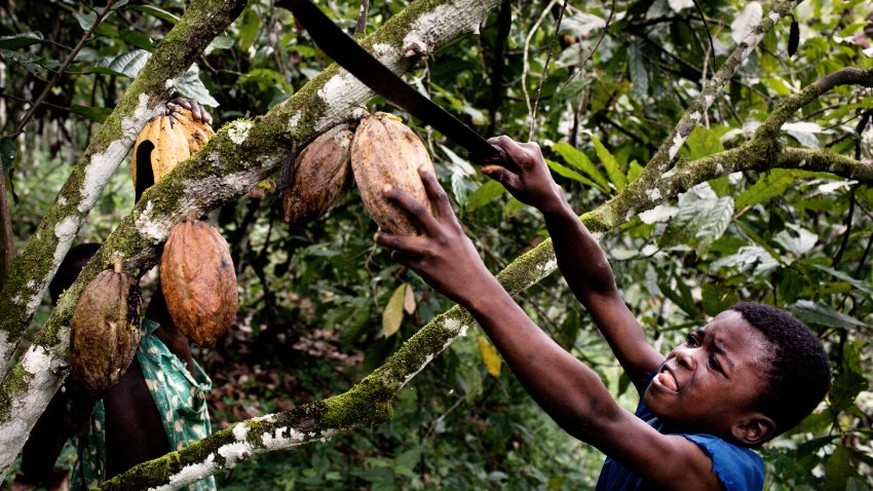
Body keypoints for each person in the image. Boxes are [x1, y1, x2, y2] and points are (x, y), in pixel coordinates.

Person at [374, 136, 831, 490]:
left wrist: (477, 286)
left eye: (715, 362)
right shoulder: (678, 406)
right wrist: (552, 201)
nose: (686, 354)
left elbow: (598, 415)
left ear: (749, 428)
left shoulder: (723, 472)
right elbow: (601, 292)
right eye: (697, 339)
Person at [14, 98, 217, 491]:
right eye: (90, 294)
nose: (109, 301)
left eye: (116, 286)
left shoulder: (161, 336)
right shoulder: (67, 381)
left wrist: (167, 135)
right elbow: (35, 467)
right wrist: (73, 404)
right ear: (67, 311)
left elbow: (182, 240)